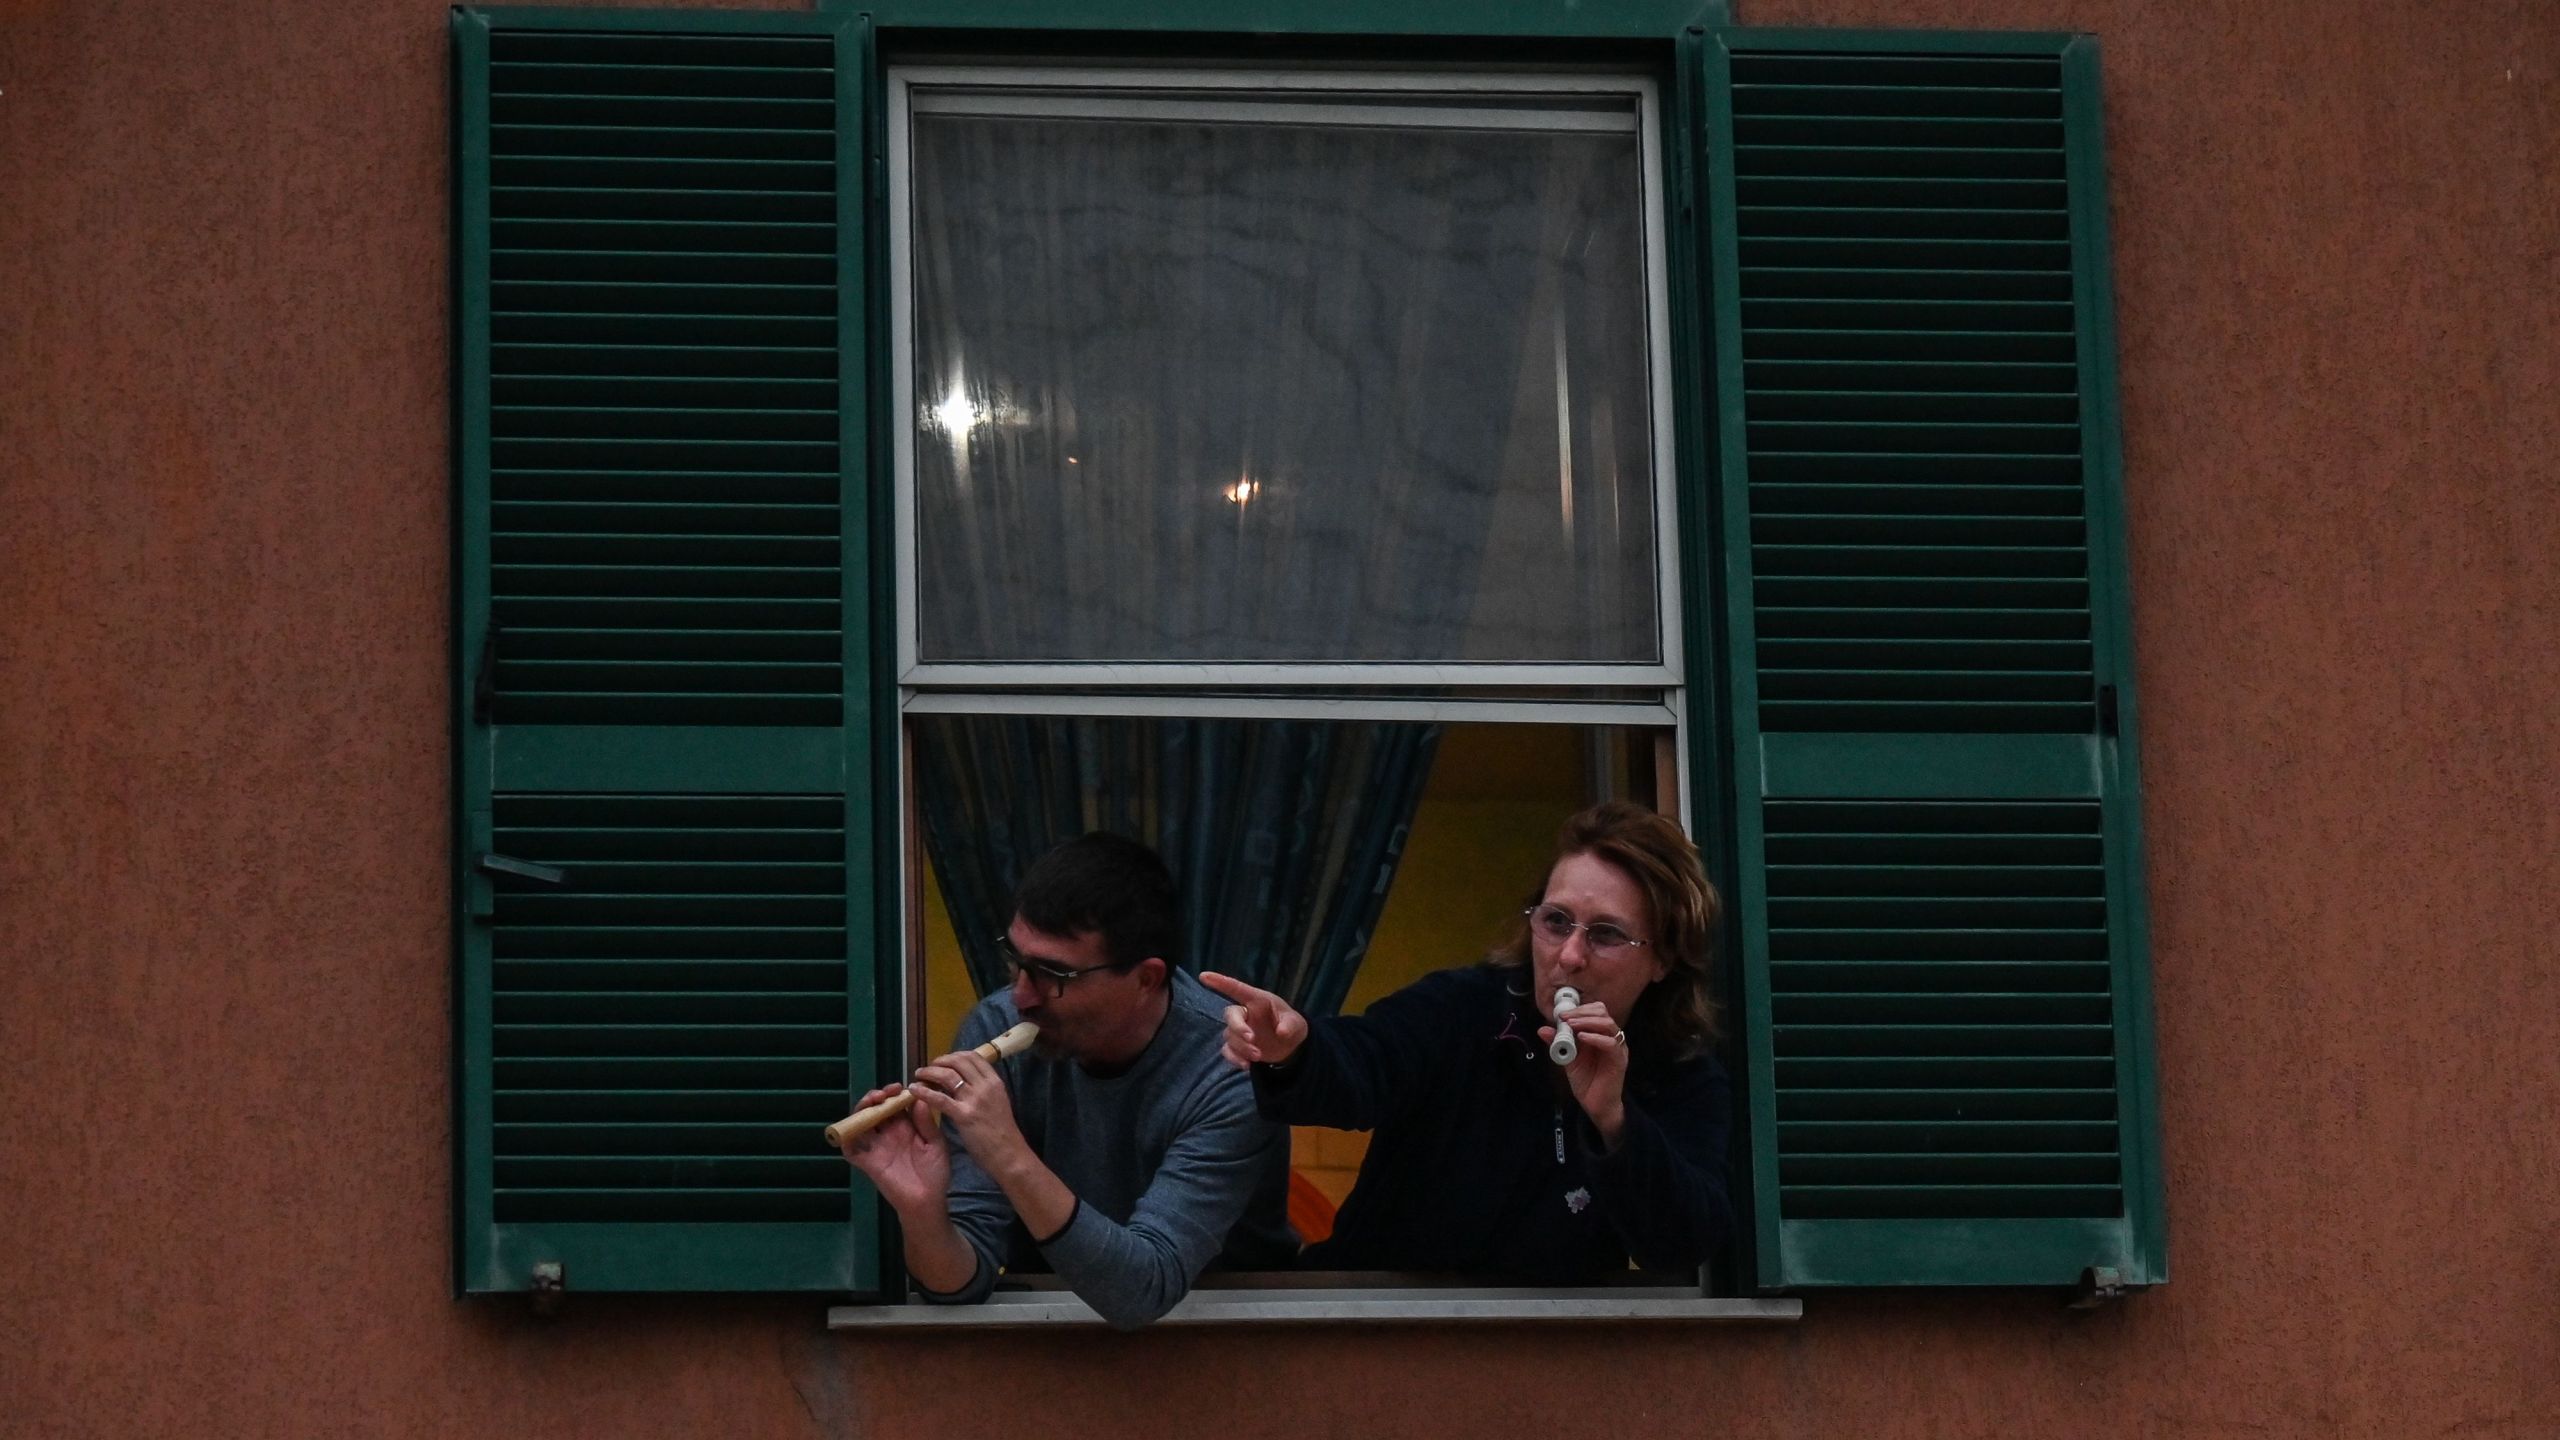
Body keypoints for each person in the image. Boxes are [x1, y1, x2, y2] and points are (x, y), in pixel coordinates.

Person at [1202, 801, 1730, 1281]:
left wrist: (1615, 1122)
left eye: (1606, 934)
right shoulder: (1464, 1009)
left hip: (1550, 1357)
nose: (1569, 955)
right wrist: (1297, 1049)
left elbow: (1682, 1244)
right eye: (1556, 921)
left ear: (1662, 959)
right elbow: (1370, 1060)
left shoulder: (1678, 1072)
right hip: (1378, 1332)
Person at [838, 832, 1295, 1329]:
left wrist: (1009, 1154)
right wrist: (922, 1211)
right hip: (1051, 1336)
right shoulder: (995, 1027)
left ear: (1146, 979)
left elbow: (1144, 1289)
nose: (1021, 997)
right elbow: (959, 1284)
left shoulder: (1233, 1064)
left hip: (1243, 1337)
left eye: (1054, 975)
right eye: (1017, 962)